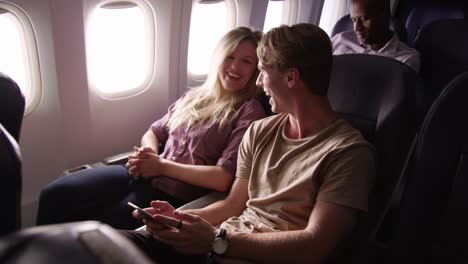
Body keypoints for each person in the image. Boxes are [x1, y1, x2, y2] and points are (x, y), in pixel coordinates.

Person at [121, 23, 376, 263]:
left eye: (263, 71)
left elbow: (315, 245)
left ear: (291, 78)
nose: (257, 82)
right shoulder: (260, 131)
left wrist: (217, 241)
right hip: (216, 244)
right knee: (100, 245)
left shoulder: (348, 154)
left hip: (246, 254)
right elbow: (232, 205)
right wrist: (175, 219)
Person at [36, 27, 267, 229]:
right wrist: (149, 154)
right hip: (142, 175)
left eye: (246, 61)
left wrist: (162, 166)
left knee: (93, 226)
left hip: (172, 195)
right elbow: (154, 131)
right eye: (230, 56)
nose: (235, 66)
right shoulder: (196, 96)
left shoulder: (249, 111)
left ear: (256, 69)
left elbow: (223, 179)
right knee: (55, 195)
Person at [331, 0, 420, 72]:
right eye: (354, 20)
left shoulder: (406, 59)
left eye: (364, 19)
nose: (357, 28)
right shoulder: (339, 40)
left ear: (385, 16)